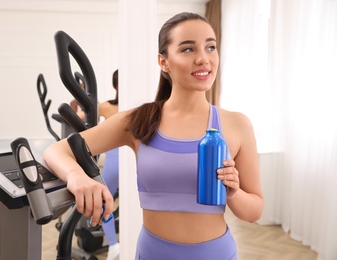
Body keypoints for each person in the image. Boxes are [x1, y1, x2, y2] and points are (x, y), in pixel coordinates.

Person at [44, 12, 263, 260]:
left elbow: (254, 211)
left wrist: (233, 193)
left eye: (210, 47)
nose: (204, 59)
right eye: (188, 49)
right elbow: (56, 151)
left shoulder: (237, 125)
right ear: (164, 61)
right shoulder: (139, 121)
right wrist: (77, 177)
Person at [71, 70, 120, 259]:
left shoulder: (107, 107)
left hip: (115, 163)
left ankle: (114, 245)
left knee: (102, 201)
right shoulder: (138, 106)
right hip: (135, 160)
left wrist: (80, 93)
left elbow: (80, 116)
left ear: (114, 86)